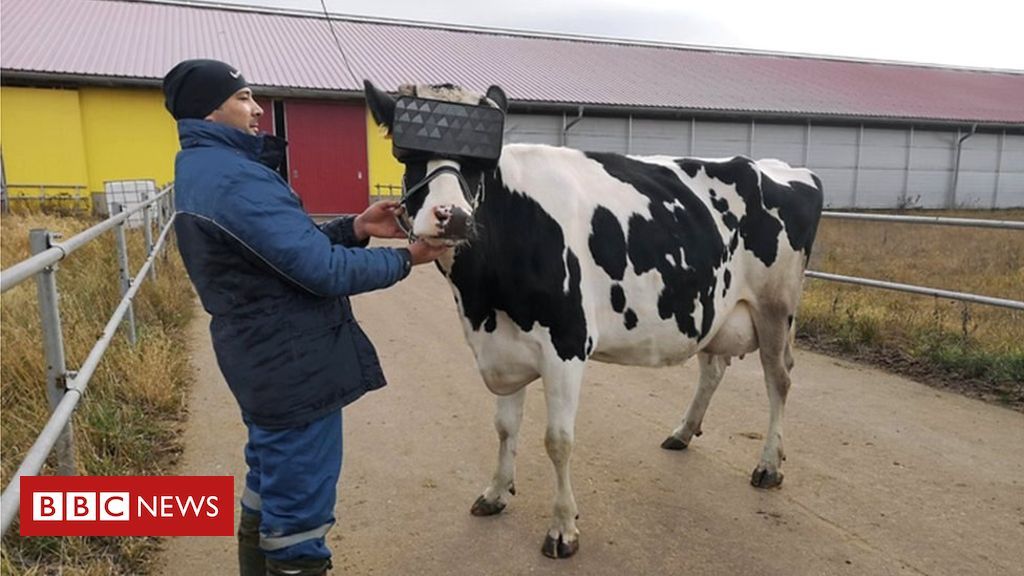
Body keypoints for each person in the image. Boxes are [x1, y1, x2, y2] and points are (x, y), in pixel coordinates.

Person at [162, 59, 447, 576]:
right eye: (244, 97)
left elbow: (283, 253)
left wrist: (355, 227)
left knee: (269, 485)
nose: (257, 108)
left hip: (263, 355)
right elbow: (321, 271)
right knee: (299, 521)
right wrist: (407, 257)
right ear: (211, 109)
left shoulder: (210, 170)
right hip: (291, 364)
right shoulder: (234, 180)